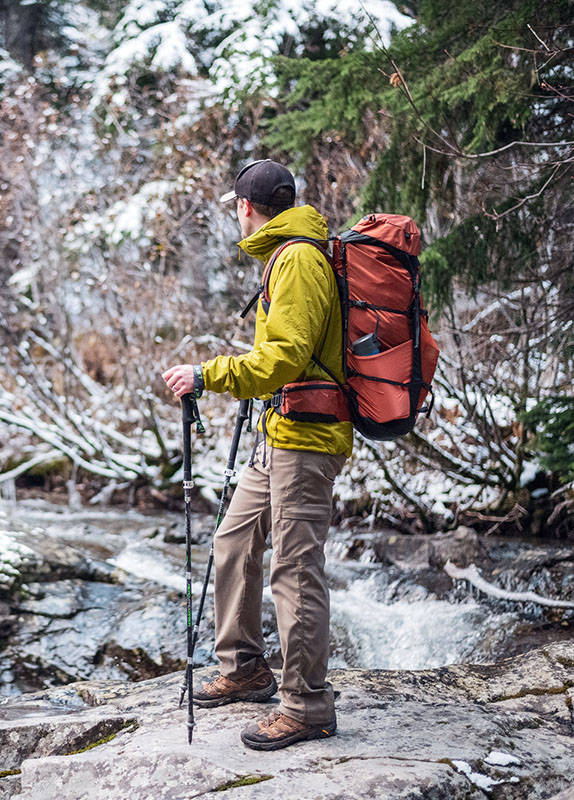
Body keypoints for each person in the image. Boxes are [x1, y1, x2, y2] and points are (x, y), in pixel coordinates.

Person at [160, 158, 351, 751]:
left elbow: (287, 357)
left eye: (235, 209)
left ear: (246, 208)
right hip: (284, 431)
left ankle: (308, 706)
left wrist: (207, 373)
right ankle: (245, 667)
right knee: (235, 538)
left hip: (308, 437)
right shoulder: (287, 254)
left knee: (293, 569)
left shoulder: (297, 259)